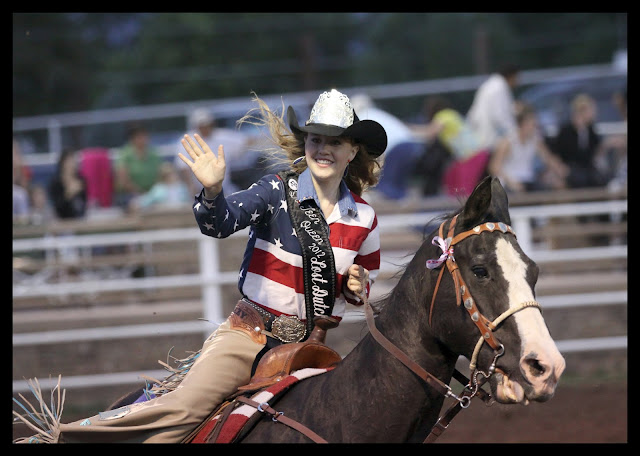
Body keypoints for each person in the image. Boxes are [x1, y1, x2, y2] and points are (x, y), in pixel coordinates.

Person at [14, 88, 388, 444]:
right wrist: (212, 192)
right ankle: (69, 438)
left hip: (309, 350)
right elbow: (220, 223)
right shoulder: (276, 190)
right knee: (185, 408)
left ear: (352, 151)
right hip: (250, 338)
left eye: (334, 142)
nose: (322, 149)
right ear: (305, 144)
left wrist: (357, 285)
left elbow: (361, 286)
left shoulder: (364, 219)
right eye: (315, 140)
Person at [488, 102, 569, 193]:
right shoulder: (508, 142)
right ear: (523, 125)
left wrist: (560, 169)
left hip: (528, 180)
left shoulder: (535, 139)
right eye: (532, 124)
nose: (534, 127)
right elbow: (494, 167)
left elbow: (547, 158)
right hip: (510, 181)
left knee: (556, 186)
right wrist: (511, 182)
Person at [174, 108, 250, 196]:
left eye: (207, 124)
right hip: (200, 191)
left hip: (225, 188)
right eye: (201, 125)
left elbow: (246, 141)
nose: (205, 128)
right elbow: (183, 167)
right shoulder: (188, 140)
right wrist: (191, 187)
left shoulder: (221, 136)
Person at [549, 93, 608, 189]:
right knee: (578, 179)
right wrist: (560, 168)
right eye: (591, 110)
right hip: (570, 168)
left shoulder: (590, 130)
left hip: (587, 169)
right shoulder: (566, 130)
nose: (594, 113)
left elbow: (594, 153)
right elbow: (556, 152)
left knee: (600, 179)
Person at [466, 63, 521, 152]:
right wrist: (515, 134)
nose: (517, 82)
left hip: (481, 135)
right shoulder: (499, 88)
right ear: (511, 75)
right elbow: (500, 116)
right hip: (489, 140)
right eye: (517, 78)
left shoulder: (491, 85)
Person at [114, 122, 163, 211]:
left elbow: (159, 175)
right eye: (139, 137)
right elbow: (123, 180)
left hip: (151, 194)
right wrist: (141, 193)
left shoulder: (153, 153)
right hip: (129, 195)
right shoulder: (125, 155)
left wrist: (150, 194)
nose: (143, 139)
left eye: (145, 136)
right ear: (132, 139)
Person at [48, 148, 88, 219]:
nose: (72, 164)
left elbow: (85, 203)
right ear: (62, 163)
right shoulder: (56, 182)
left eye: (73, 161)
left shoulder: (81, 180)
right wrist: (68, 194)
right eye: (69, 161)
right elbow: (57, 208)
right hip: (62, 221)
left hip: (80, 219)